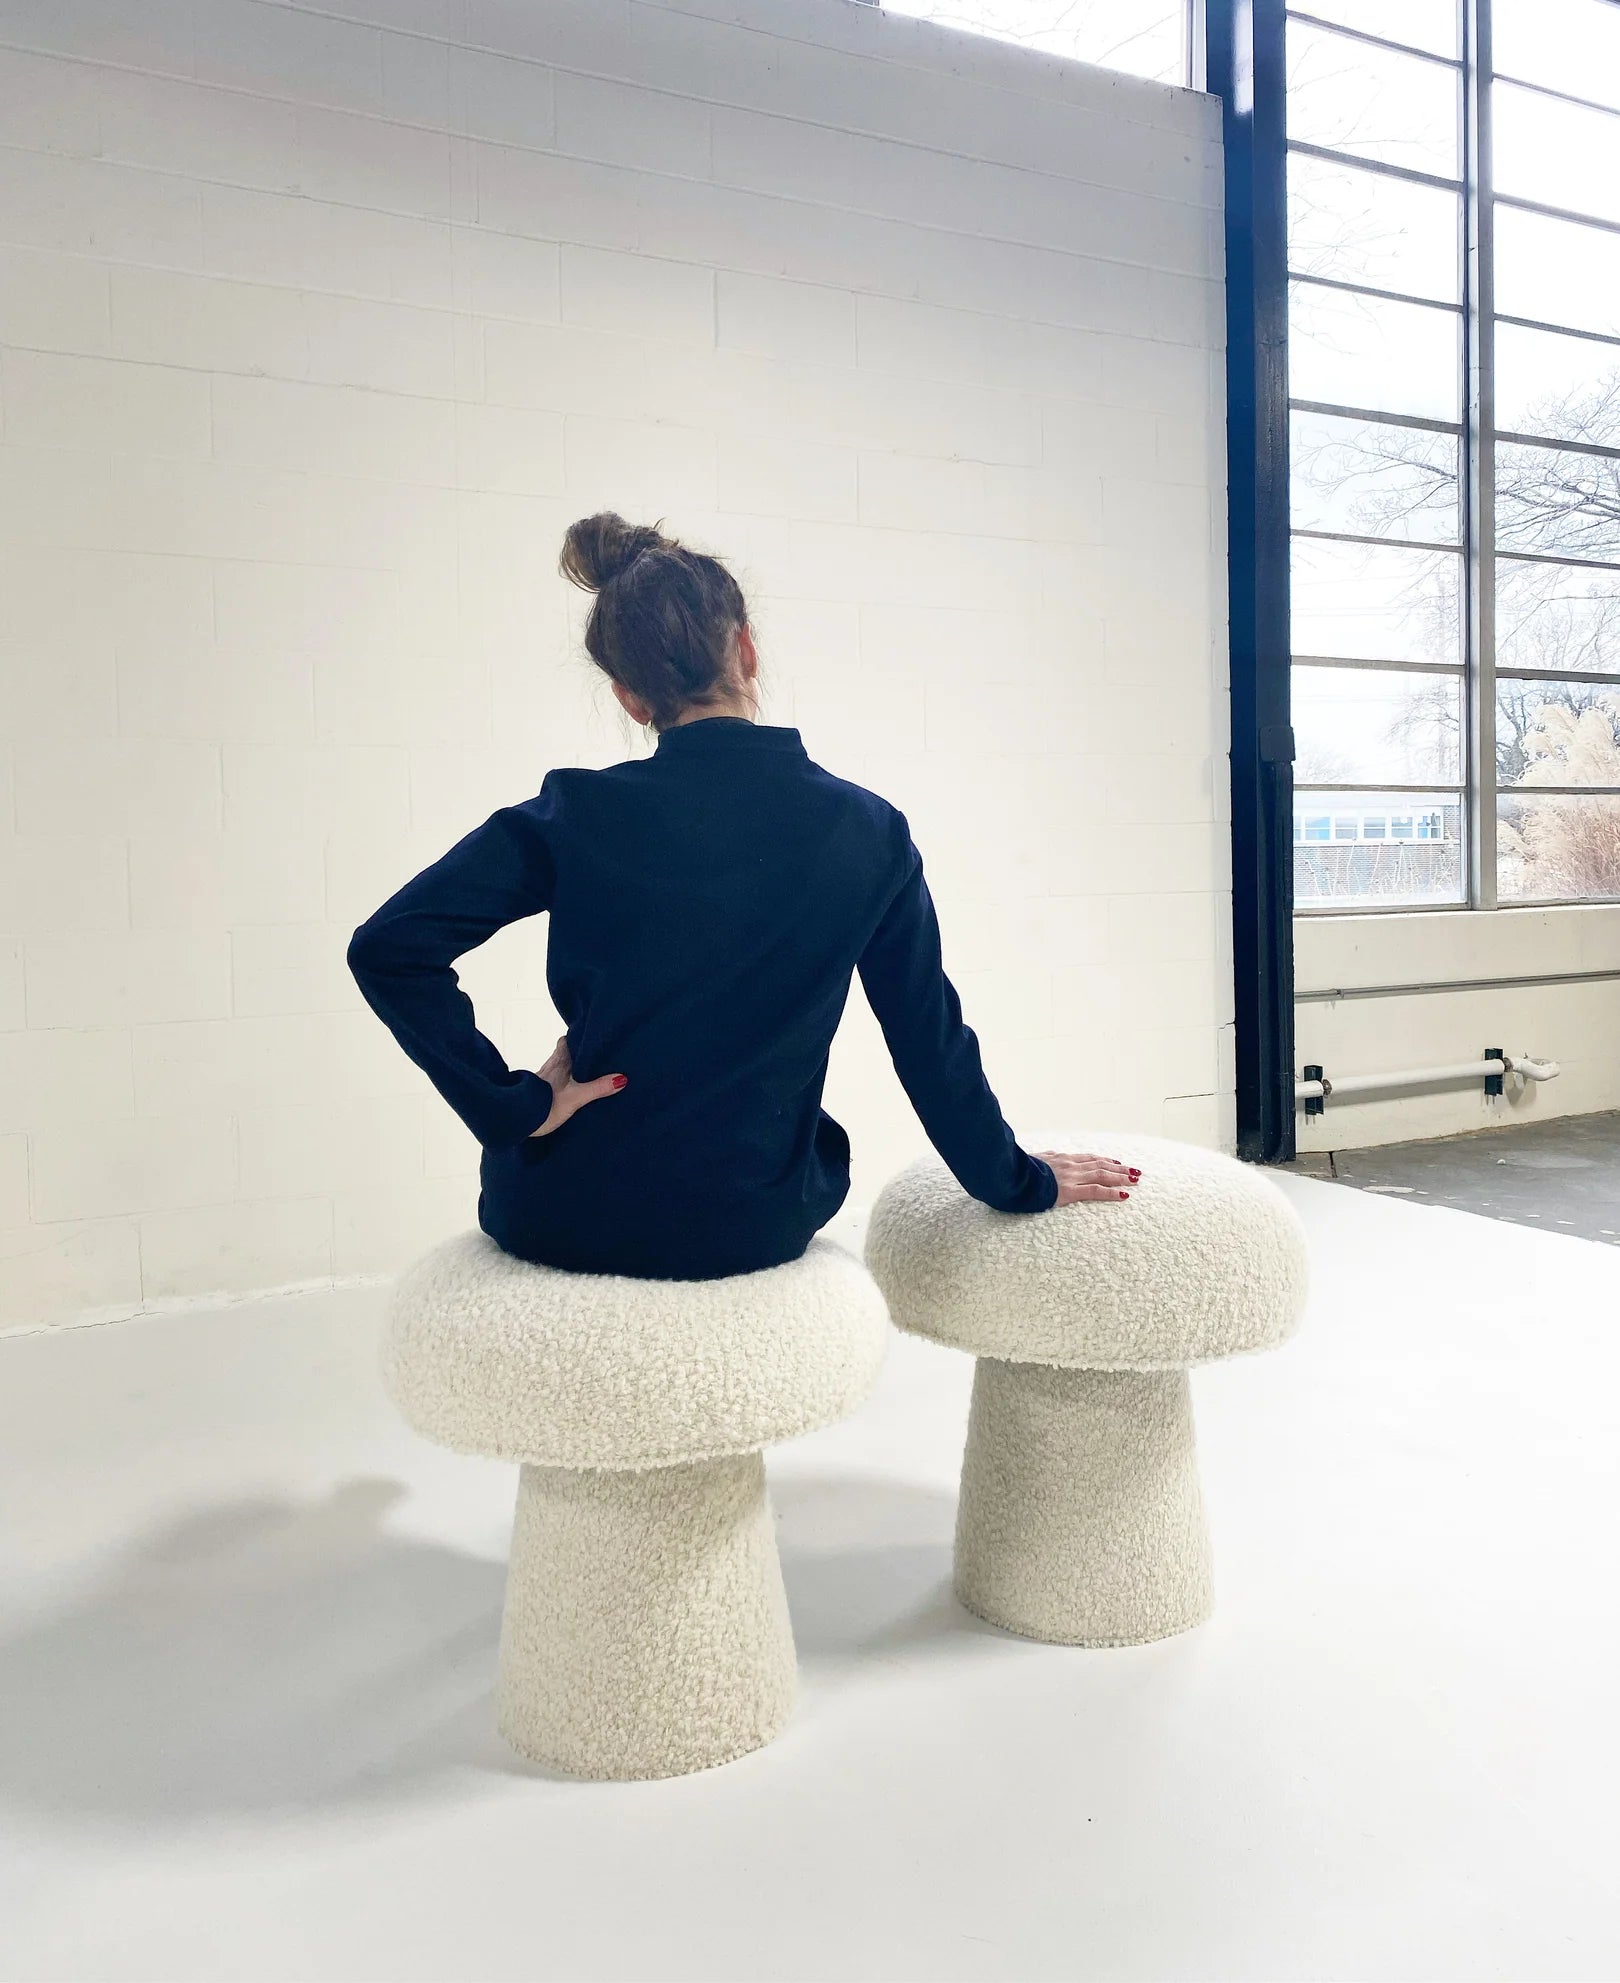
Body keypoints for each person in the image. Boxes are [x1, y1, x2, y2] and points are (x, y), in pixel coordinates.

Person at [347, 513, 1140, 1282]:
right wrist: (1019, 1181)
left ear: (628, 695)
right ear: (748, 648)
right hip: (748, 1219)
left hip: (558, 1209)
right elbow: (929, 1045)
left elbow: (389, 948)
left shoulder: (573, 813)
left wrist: (513, 1107)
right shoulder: (869, 831)